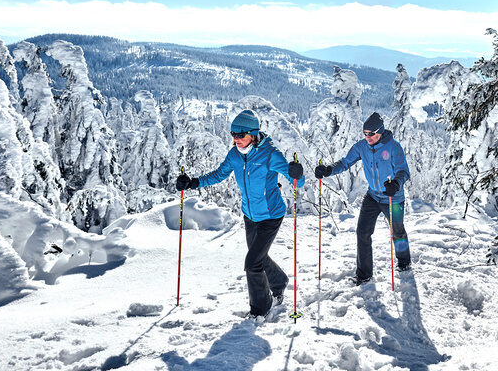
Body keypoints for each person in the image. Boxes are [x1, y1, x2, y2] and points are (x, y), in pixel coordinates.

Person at [176, 109, 304, 317]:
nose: (236, 139)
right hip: (249, 216)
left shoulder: (270, 154)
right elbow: (219, 174)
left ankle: (261, 308)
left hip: (271, 216)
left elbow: (297, 179)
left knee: (252, 262)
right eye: (233, 135)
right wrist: (194, 182)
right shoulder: (235, 155)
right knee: (258, 257)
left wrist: (296, 172)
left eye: (240, 135)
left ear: (253, 134)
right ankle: (279, 282)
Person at [315, 112, 411, 285]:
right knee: (362, 232)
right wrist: (328, 170)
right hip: (373, 196)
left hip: (393, 197)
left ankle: (404, 263)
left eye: (371, 134)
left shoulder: (393, 147)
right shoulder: (361, 147)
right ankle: (364, 274)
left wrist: (396, 183)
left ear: (380, 132)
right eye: (365, 134)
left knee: (397, 232)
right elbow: (345, 163)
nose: (368, 137)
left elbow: (403, 171)